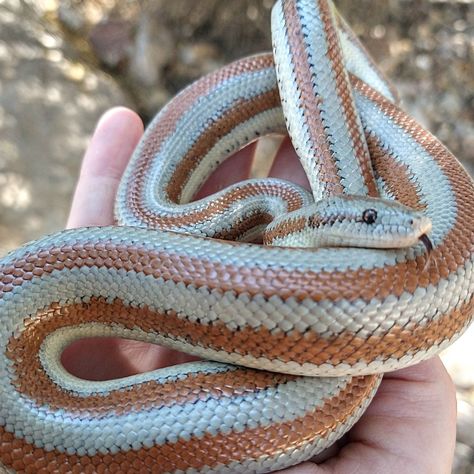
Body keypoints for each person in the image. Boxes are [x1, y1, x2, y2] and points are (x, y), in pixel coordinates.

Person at [64, 107, 457, 474]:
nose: (396, 226)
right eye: (370, 219)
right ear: (322, 221)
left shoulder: (302, 231)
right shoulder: (287, 219)